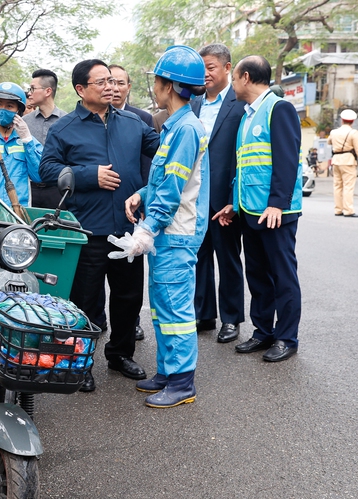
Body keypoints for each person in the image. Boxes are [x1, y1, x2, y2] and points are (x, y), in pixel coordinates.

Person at [39, 59, 160, 392]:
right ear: (81, 89)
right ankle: (82, 362)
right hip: (87, 230)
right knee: (85, 301)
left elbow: (164, 152)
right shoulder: (64, 128)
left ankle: (120, 355)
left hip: (127, 229)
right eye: (102, 82)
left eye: (113, 81)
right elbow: (47, 169)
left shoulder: (134, 123)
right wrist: (87, 176)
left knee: (128, 297)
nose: (111, 87)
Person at [115, 45, 209, 408]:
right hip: (166, 234)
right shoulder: (175, 127)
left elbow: (172, 191)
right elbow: (165, 179)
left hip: (174, 233)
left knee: (176, 310)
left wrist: (148, 228)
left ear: (168, 85)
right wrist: (141, 193)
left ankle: (183, 382)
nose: (153, 86)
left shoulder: (186, 129)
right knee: (161, 307)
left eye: (156, 80)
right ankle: (168, 373)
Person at [214, 56, 302, 363]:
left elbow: (287, 159)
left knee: (282, 276)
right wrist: (233, 204)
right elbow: (245, 167)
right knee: (258, 276)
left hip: (276, 213)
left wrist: (278, 203)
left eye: (235, 78)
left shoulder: (279, 108)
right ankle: (263, 331)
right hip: (250, 211)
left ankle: (287, 338)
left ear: (246, 77)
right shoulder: (247, 116)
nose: (233, 84)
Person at [189, 43, 247, 344]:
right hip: (196, 197)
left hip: (225, 197)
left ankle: (231, 318)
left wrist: (234, 199)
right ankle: (204, 313)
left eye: (210, 67)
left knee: (228, 257)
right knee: (199, 257)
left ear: (227, 68)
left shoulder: (239, 105)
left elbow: (241, 155)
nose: (206, 74)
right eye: (202, 69)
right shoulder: (193, 104)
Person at [110, 63, 153, 342]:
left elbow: (150, 161)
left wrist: (144, 194)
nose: (114, 88)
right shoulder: (86, 121)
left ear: (128, 87)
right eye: (108, 82)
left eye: (120, 83)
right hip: (98, 211)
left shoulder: (141, 119)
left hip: (133, 205)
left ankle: (131, 325)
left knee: (129, 276)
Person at [22, 69, 67, 208]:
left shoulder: (67, 121)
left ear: (48, 91)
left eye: (33, 88)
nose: (29, 93)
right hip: (30, 190)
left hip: (58, 190)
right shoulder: (24, 123)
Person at [328, 109, 358, 217]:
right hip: (348, 160)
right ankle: (348, 210)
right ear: (352, 121)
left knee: (337, 185)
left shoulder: (333, 132)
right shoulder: (353, 132)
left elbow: (329, 141)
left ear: (342, 120)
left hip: (336, 160)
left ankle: (338, 209)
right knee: (348, 186)